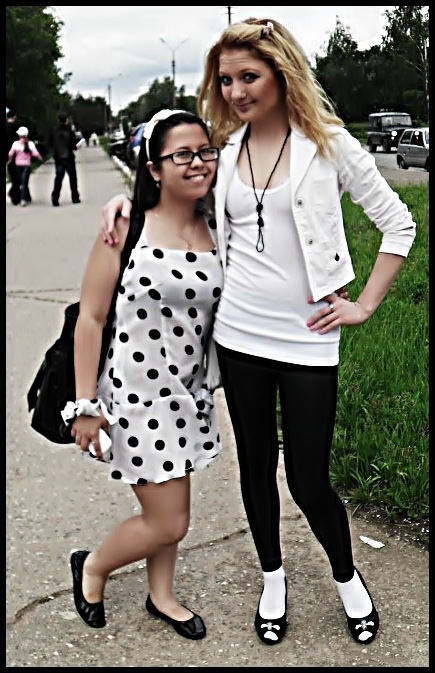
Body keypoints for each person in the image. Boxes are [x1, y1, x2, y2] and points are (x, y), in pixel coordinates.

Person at [97, 18, 416, 647]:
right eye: (226, 80)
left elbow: (398, 224)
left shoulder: (328, 145)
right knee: (256, 468)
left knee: (308, 479)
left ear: (281, 73)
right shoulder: (225, 149)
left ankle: (347, 576)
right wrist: (129, 203)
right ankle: (273, 578)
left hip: (308, 337)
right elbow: (174, 190)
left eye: (249, 76)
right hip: (239, 337)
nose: (237, 91)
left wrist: (364, 305)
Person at [62, 109, 223, 640]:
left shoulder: (218, 226)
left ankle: (162, 595)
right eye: (182, 155)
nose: (197, 163)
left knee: (170, 502)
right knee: (169, 520)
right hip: (135, 398)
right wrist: (85, 406)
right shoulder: (126, 227)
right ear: (154, 168)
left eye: (205, 151)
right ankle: (93, 566)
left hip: (187, 395)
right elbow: (90, 318)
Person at [47, 111, 81, 206]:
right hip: (69, 157)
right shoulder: (70, 130)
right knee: (72, 178)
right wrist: (76, 146)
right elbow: (73, 145)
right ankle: (75, 197)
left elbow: (49, 143)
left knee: (58, 179)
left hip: (58, 158)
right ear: (66, 120)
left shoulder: (54, 130)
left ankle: (55, 199)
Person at [7, 125, 43, 206]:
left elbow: (10, 154)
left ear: (19, 135)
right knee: (24, 182)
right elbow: (35, 153)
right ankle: (23, 199)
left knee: (21, 182)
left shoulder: (15, 144)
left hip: (18, 166)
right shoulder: (30, 144)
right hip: (26, 166)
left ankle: (23, 197)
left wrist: (10, 160)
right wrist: (40, 158)